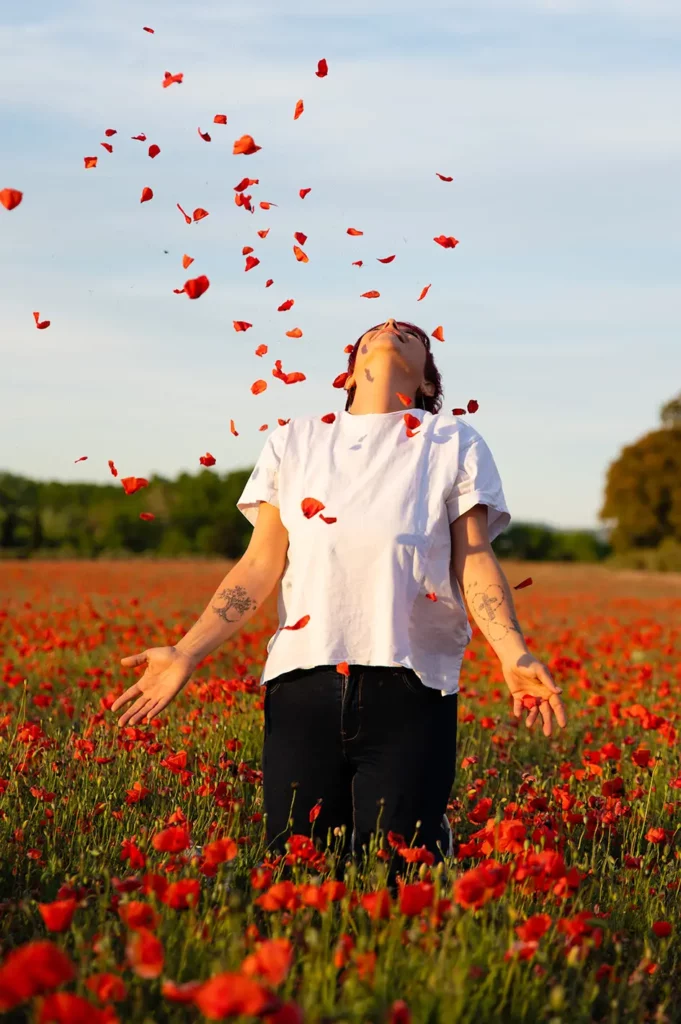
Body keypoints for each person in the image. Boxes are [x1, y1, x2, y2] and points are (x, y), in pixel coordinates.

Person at [112, 317, 567, 887]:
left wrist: (512, 652)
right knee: (296, 877)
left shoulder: (452, 443)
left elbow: (473, 558)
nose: (393, 326)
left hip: (410, 686)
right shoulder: (295, 441)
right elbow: (259, 565)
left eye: (412, 335)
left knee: (397, 878)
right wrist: (187, 650)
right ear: (349, 370)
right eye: (377, 328)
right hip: (302, 687)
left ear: (428, 383)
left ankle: (434, 845)